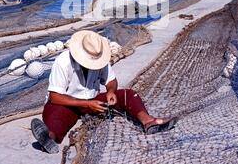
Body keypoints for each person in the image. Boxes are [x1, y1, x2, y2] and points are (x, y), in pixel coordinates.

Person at [31, 30, 177, 154]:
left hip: (94, 101)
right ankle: (49, 137)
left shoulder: (100, 58)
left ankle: (148, 121)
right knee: (57, 115)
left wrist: (111, 91)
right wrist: (87, 104)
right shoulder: (63, 62)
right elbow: (55, 97)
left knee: (127, 94)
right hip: (68, 103)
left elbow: (111, 81)